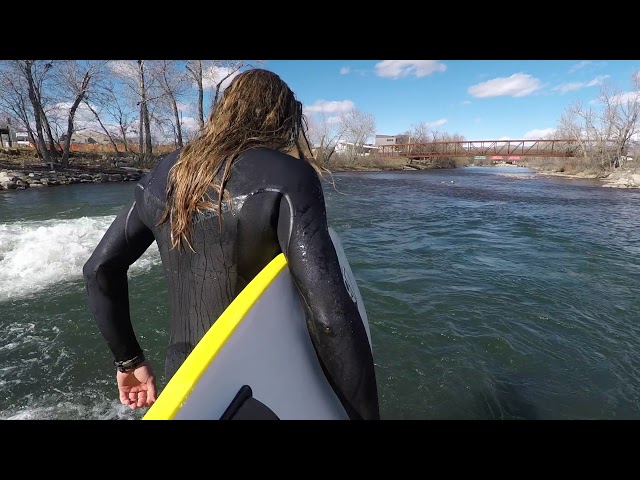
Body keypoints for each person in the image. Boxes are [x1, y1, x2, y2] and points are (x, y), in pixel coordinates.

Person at [82, 68, 380, 420]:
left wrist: (128, 360)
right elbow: (330, 316)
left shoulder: (166, 172)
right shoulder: (288, 176)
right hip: (263, 392)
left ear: (224, 110)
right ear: (281, 119)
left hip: (188, 383)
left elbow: (99, 269)